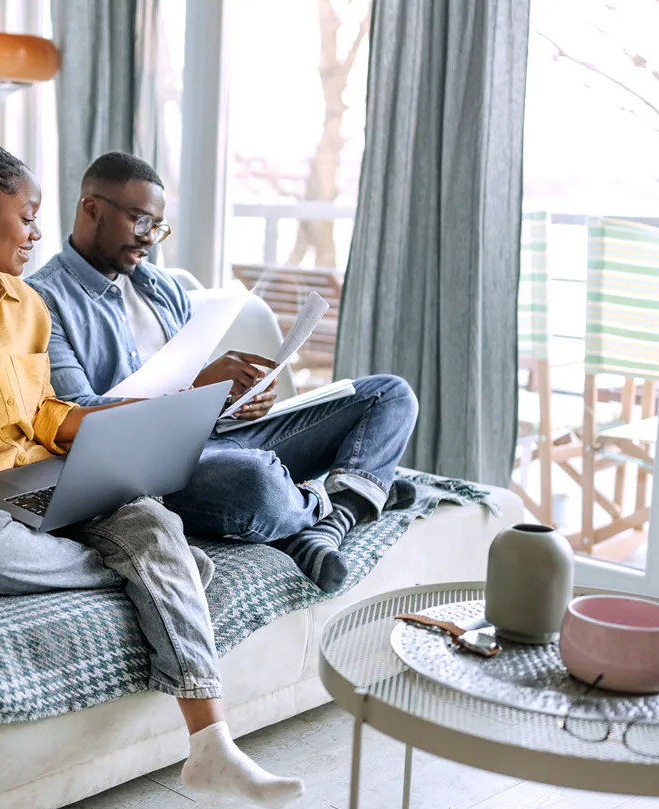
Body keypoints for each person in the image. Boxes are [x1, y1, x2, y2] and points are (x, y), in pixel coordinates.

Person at [0, 103, 304, 808]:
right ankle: (155, 576)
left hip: (45, 478)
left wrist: (109, 426)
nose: (39, 232)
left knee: (152, 520)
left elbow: (39, 412)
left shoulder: (24, 306)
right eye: (28, 215)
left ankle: (210, 744)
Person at [26, 152, 418, 593]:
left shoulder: (163, 287)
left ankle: (325, 522)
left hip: (218, 441)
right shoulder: (41, 301)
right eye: (140, 222)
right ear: (91, 208)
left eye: (158, 226)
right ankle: (350, 497)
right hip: (147, 470)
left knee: (390, 394)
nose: (150, 239)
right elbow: (76, 418)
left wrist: (235, 400)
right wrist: (196, 390)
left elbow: (198, 394)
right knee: (257, 482)